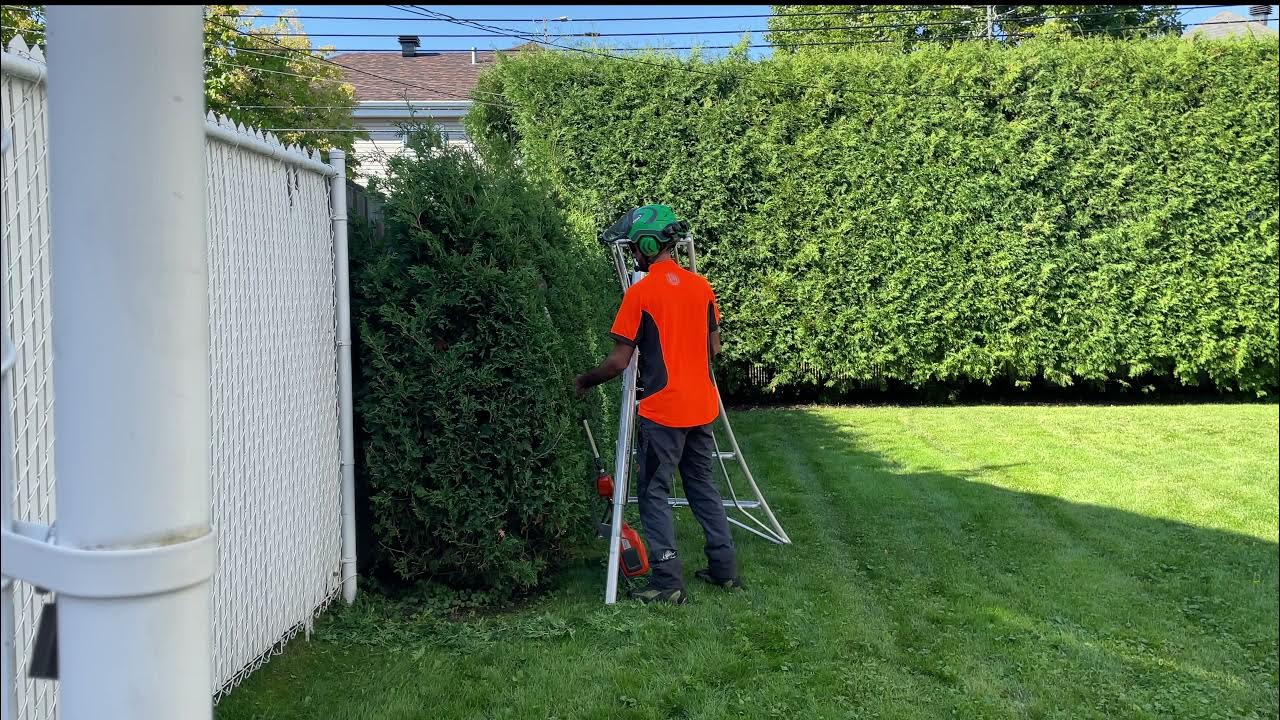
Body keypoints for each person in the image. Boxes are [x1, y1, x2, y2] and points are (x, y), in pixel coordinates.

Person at [574, 205, 744, 605]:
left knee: (652, 492)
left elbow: (619, 361)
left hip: (663, 413)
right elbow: (714, 348)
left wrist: (583, 381)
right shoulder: (701, 287)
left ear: (647, 246)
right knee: (703, 486)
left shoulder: (641, 292)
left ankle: (667, 582)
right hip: (701, 407)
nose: (634, 253)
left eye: (635, 247)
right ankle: (724, 571)